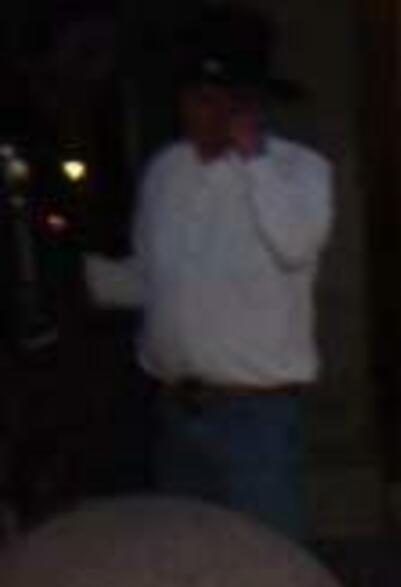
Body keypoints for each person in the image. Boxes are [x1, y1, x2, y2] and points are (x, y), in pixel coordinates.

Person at [80, 5, 330, 540]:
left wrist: (254, 161)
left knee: (266, 561)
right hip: (177, 411)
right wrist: (71, 276)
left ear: (251, 105)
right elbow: (150, 280)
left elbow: (295, 246)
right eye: (196, 99)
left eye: (221, 101)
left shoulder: (299, 172)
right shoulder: (166, 174)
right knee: (191, 563)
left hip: (254, 419)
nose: (205, 114)